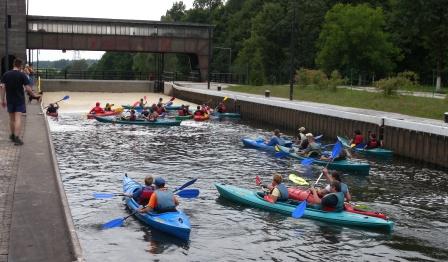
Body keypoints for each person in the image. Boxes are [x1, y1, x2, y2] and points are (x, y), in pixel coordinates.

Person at [0, 58, 34, 145]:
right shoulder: (22, 75)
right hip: (19, 100)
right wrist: (33, 95)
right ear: (21, 66)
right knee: (18, 118)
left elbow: (3, 87)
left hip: (10, 99)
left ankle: (12, 135)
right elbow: (27, 88)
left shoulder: (6, 74)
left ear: (13, 65)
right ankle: (17, 138)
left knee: (11, 119)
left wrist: (2, 99)